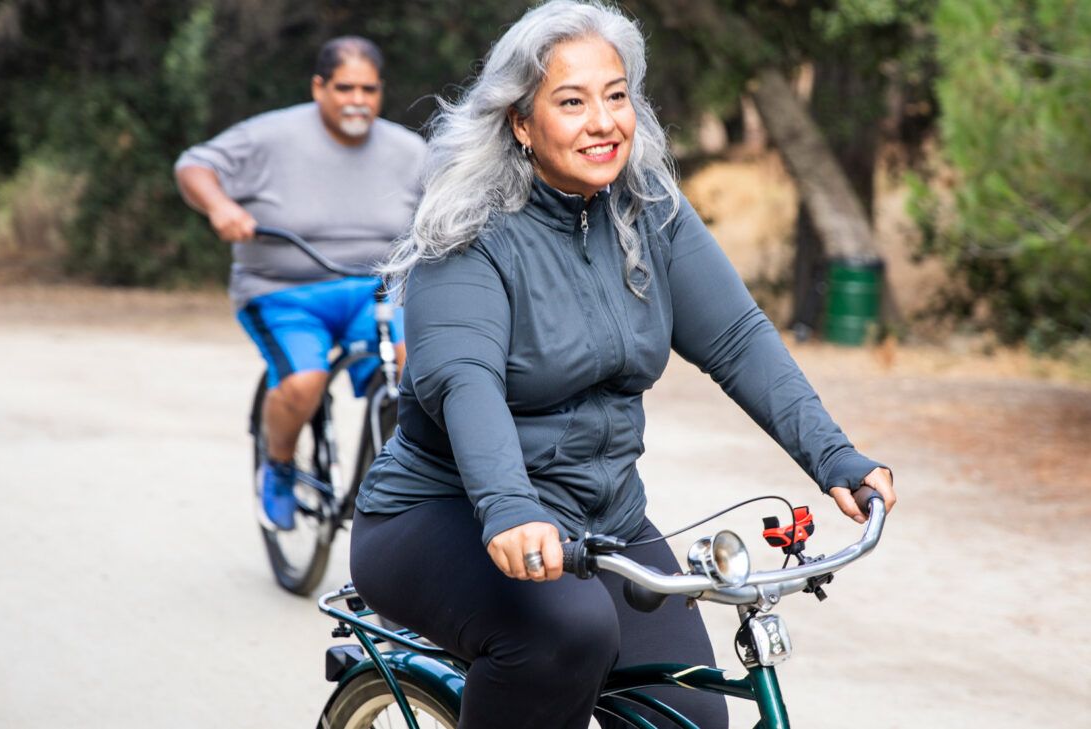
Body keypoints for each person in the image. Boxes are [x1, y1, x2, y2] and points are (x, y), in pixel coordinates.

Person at [348, 1, 898, 727]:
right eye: (571, 101)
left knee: (693, 715)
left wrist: (835, 457)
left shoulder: (650, 209)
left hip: (605, 520)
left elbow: (736, 339)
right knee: (566, 631)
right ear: (521, 121)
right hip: (448, 512)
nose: (603, 121)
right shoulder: (468, 230)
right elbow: (463, 381)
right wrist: (510, 509)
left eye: (616, 95)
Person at [174, 36, 425, 531]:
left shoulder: (409, 150)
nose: (357, 100)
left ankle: (407, 480)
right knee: (302, 382)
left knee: (416, 371)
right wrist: (222, 207)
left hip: (376, 288)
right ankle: (281, 467)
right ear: (319, 87)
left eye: (369, 90)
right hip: (284, 290)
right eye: (345, 88)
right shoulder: (269, 136)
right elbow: (194, 166)